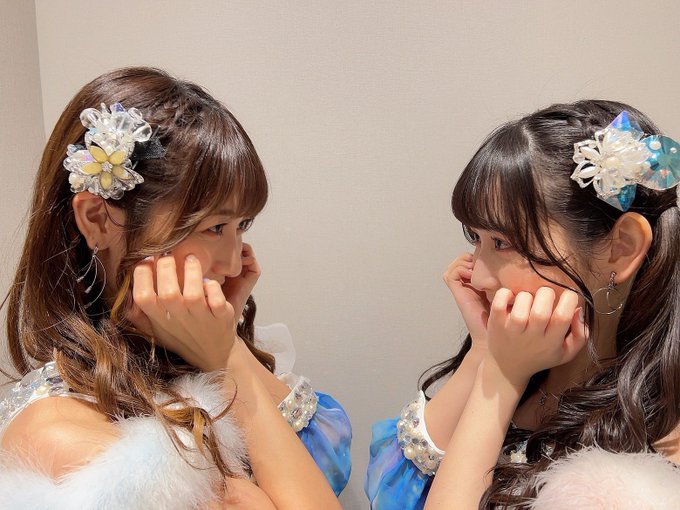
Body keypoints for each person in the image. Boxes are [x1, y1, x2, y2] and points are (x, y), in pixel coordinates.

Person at [0, 67, 351, 509]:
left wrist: (228, 348)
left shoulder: (173, 351)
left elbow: (327, 455)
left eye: (242, 225)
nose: (233, 262)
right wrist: (225, 357)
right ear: (97, 219)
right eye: (214, 227)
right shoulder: (73, 440)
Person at [365, 100, 680, 509]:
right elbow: (393, 489)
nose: (478, 277)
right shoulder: (518, 359)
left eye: (502, 242)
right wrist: (484, 351)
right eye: (474, 238)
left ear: (622, 248)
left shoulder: (660, 456)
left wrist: (499, 378)